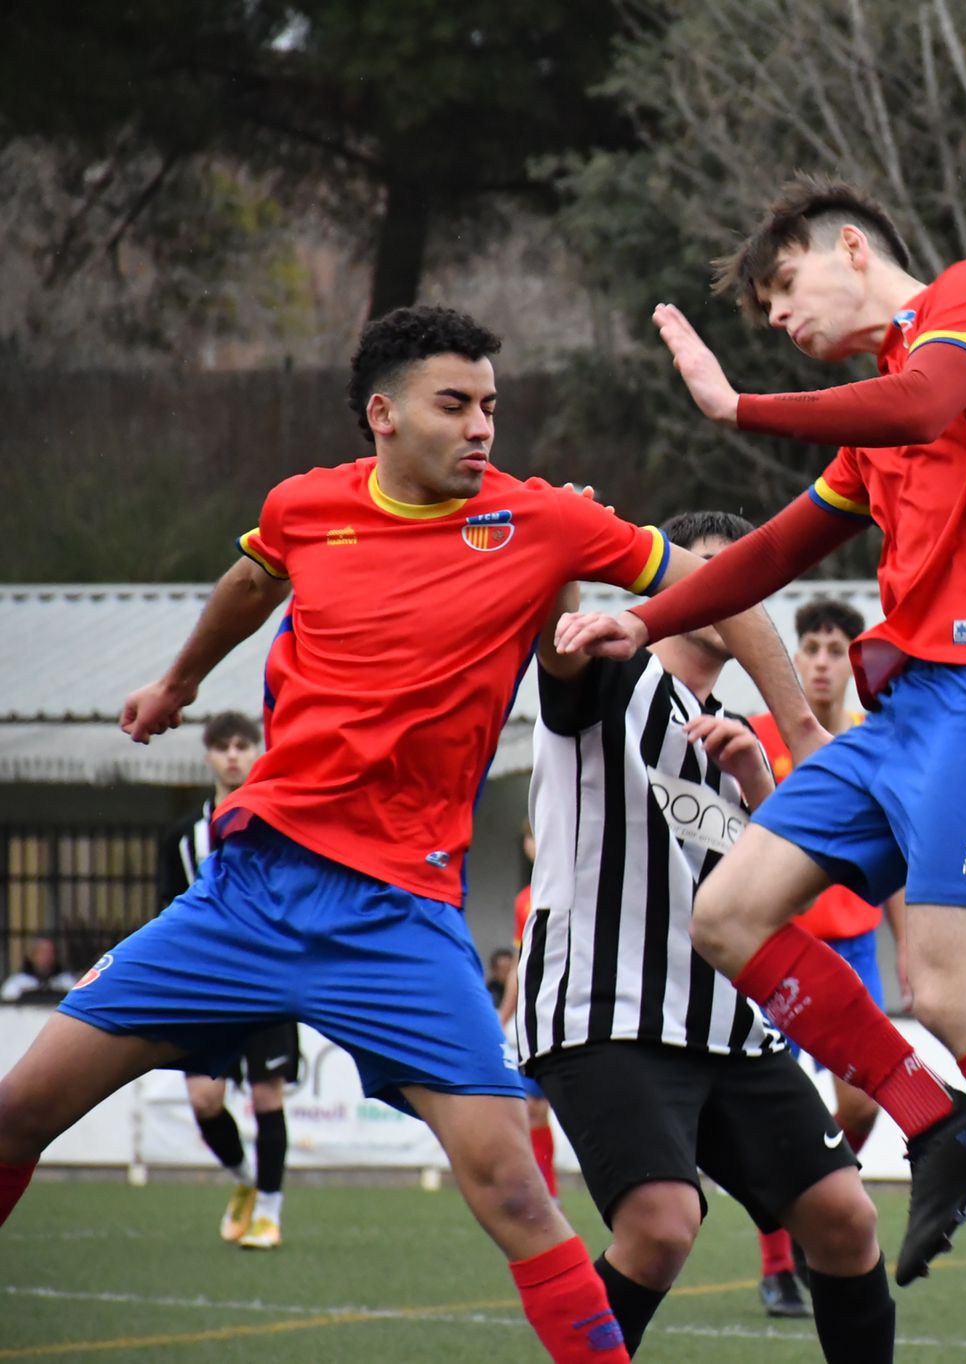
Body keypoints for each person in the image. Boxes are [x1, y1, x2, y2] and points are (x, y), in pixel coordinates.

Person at [0, 304, 823, 1364]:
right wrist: (178, 679)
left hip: (399, 918)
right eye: (456, 403)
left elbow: (727, 577)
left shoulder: (543, 523)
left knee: (518, 1197)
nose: (482, 424)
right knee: (20, 1108)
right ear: (382, 416)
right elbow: (254, 576)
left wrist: (796, 723)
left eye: (491, 405)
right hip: (246, 894)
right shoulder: (305, 506)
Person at [553, 176, 966, 1362]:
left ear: (848, 248)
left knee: (946, 983)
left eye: (783, 287)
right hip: (905, 710)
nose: (778, 317)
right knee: (726, 910)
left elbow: (926, 394)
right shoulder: (871, 422)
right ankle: (934, 1120)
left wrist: (740, 407)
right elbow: (781, 544)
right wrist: (648, 615)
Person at [517, 510, 895, 1361]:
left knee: (845, 1217)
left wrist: (761, 781)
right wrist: (563, 552)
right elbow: (558, 644)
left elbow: (788, 892)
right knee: (661, 1223)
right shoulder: (612, 672)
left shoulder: (738, 732)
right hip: (604, 1004)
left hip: (722, 1019)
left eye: (742, 578)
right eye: (709, 572)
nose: (729, 592)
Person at [745, 596, 907, 1320]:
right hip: (776, 948)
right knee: (770, 1119)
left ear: (854, 660)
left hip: (855, 949)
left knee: (861, 1103)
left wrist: (916, 949)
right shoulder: (757, 734)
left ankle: (816, 1210)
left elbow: (895, 856)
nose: (819, 659)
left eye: (835, 648)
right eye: (808, 645)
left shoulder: (878, 744)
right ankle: (779, 1267)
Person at [155, 709, 298, 1248]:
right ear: (209, 755)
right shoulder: (181, 836)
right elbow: (165, 911)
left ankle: (270, 1210)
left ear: (258, 750)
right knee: (205, 1102)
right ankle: (244, 1181)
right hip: (203, 989)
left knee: (267, 1098)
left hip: (266, 984)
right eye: (223, 746)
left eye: (243, 745)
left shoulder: (279, 823)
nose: (233, 755)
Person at [499, 823, 558, 1202]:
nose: (535, 844)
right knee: (534, 1107)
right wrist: (504, 1012)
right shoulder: (525, 901)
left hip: (571, 1008)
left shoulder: (576, 886)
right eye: (530, 836)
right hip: (536, 1013)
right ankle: (548, 1194)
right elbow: (522, 963)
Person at [0, 938, 75, 1004]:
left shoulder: (65, 981)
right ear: (32, 955)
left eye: (50, 953)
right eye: (42, 953)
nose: (47, 957)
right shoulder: (17, 982)